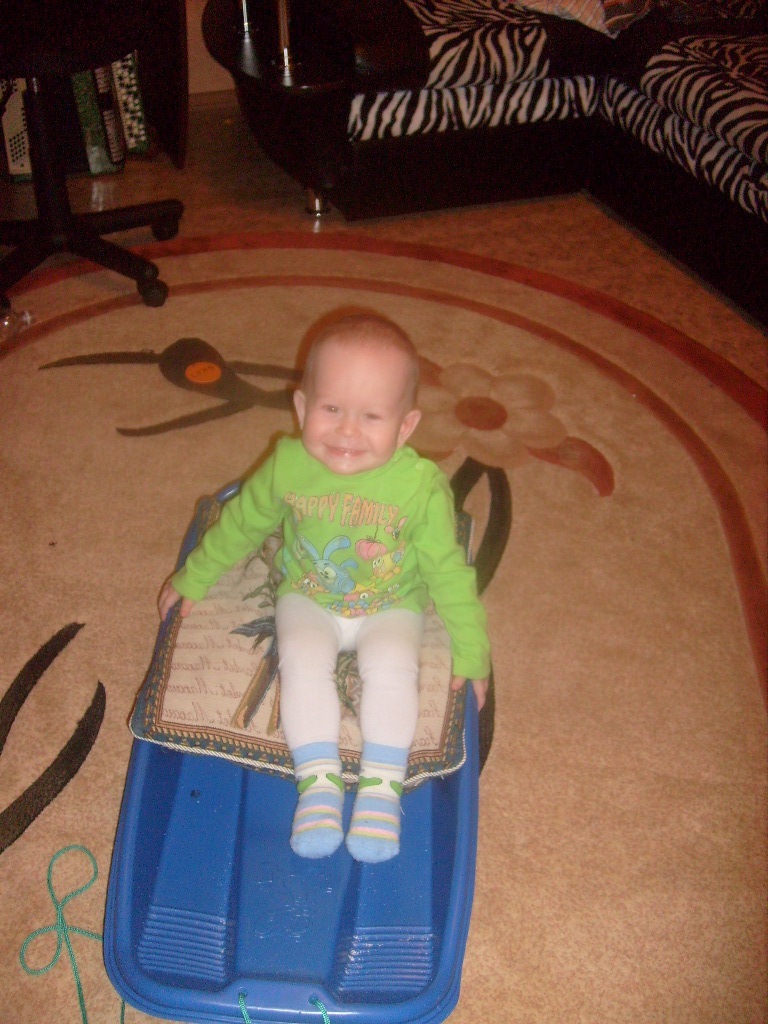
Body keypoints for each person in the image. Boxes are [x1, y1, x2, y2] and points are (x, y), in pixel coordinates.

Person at [159, 313, 490, 863]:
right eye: (331, 409)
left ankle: (382, 788)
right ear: (301, 407)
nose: (347, 431)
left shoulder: (419, 488)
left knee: (393, 669)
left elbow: (449, 572)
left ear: (406, 427)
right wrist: (195, 575)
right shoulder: (288, 464)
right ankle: (318, 781)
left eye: (371, 416)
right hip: (308, 596)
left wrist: (473, 651)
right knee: (301, 662)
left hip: (390, 604)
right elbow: (243, 522)